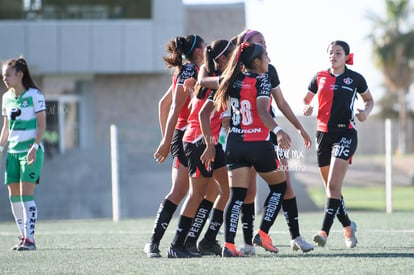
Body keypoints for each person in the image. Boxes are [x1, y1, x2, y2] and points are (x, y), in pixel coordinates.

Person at [233, 29, 314, 255]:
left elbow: (281, 103)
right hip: (246, 139)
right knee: (248, 193)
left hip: (271, 136)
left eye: (265, 41)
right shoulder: (234, 74)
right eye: (259, 41)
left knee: (285, 186)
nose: (264, 44)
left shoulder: (270, 70)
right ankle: (247, 243)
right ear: (246, 47)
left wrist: (299, 128)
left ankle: (295, 236)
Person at [214, 42, 292, 257]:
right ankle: (263, 233)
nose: (268, 59)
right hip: (258, 144)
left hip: (235, 144)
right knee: (280, 187)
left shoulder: (230, 80)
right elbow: (262, 111)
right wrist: (278, 130)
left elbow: (206, 82)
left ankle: (228, 245)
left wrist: (196, 81)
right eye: (266, 56)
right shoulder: (263, 80)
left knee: (236, 196)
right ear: (256, 62)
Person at [303, 40, 374, 248]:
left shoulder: (355, 78)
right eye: (331, 53)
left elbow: (370, 100)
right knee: (330, 189)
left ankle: (323, 232)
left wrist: (365, 113)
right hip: (322, 135)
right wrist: (306, 108)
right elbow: (305, 100)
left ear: (346, 57)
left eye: (338, 53)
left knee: (334, 185)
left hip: (346, 133)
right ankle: (348, 225)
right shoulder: (319, 77)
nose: (333, 56)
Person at [167, 39, 235, 258]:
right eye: (234, 54)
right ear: (223, 58)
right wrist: (208, 145)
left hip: (212, 142)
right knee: (196, 195)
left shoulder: (214, 76)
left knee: (225, 191)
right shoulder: (217, 80)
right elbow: (202, 115)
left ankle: (207, 241)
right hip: (199, 142)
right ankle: (177, 245)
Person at [144, 34, 206, 258]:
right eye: (205, 46)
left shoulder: (199, 71)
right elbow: (171, 108)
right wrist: (167, 140)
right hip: (186, 135)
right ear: (199, 51)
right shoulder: (189, 71)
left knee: (206, 191)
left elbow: (163, 104)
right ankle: (153, 243)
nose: (207, 48)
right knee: (180, 191)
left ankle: (188, 242)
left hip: (199, 135)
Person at [1, 57, 46, 251]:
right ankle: (23, 236)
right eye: (3, 75)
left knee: (27, 195)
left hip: (29, 152)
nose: (5, 78)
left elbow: (42, 123)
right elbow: (6, 129)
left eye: (8, 75)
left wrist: (35, 147)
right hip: (12, 152)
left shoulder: (35, 95)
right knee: (13, 196)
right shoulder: (6, 98)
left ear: (20, 75)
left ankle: (30, 239)